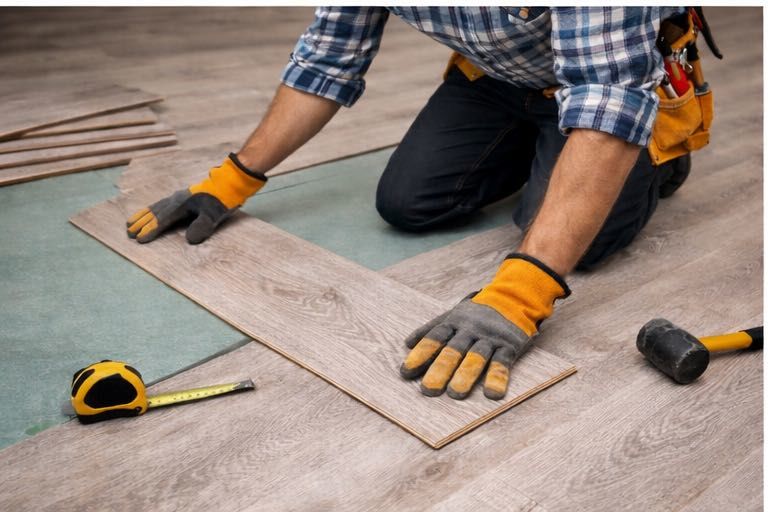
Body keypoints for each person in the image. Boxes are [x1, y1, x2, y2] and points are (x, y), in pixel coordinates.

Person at [126, 7, 690, 401]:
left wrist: (523, 291)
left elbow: (607, 99)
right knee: (406, 203)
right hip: (497, 79)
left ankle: (661, 158)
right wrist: (233, 178)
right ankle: (544, 143)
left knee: (570, 243)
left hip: (611, 86)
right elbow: (326, 61)